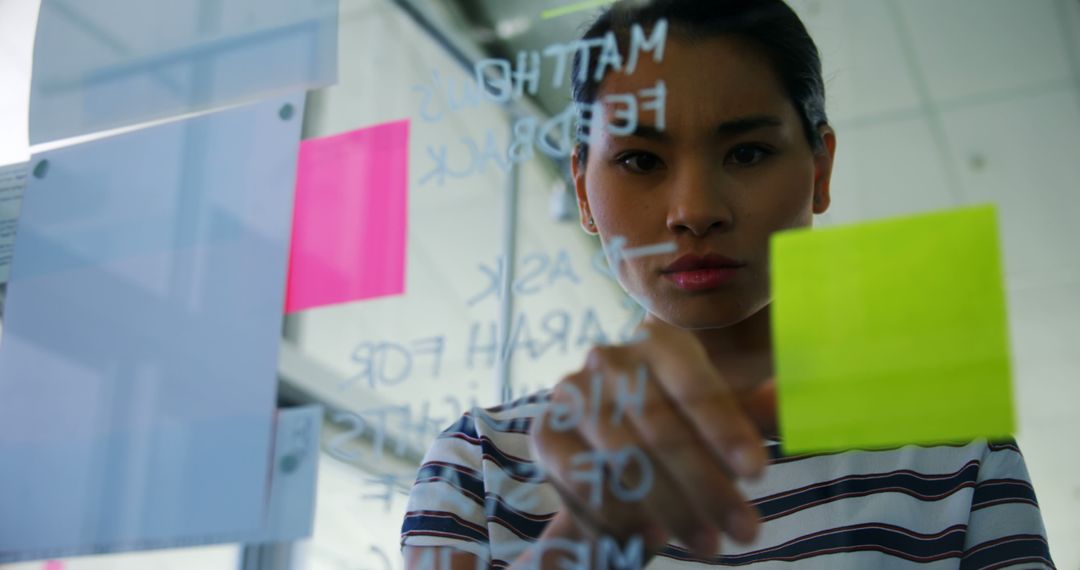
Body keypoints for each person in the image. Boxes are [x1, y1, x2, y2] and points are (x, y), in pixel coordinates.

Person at [400, 1, 1055, 568]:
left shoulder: (956, 457)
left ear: (819, 170)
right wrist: (588, 541)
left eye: (746, 152)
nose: (694, 209)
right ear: (582, 188)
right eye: (639, 160)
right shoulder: (483, 463)